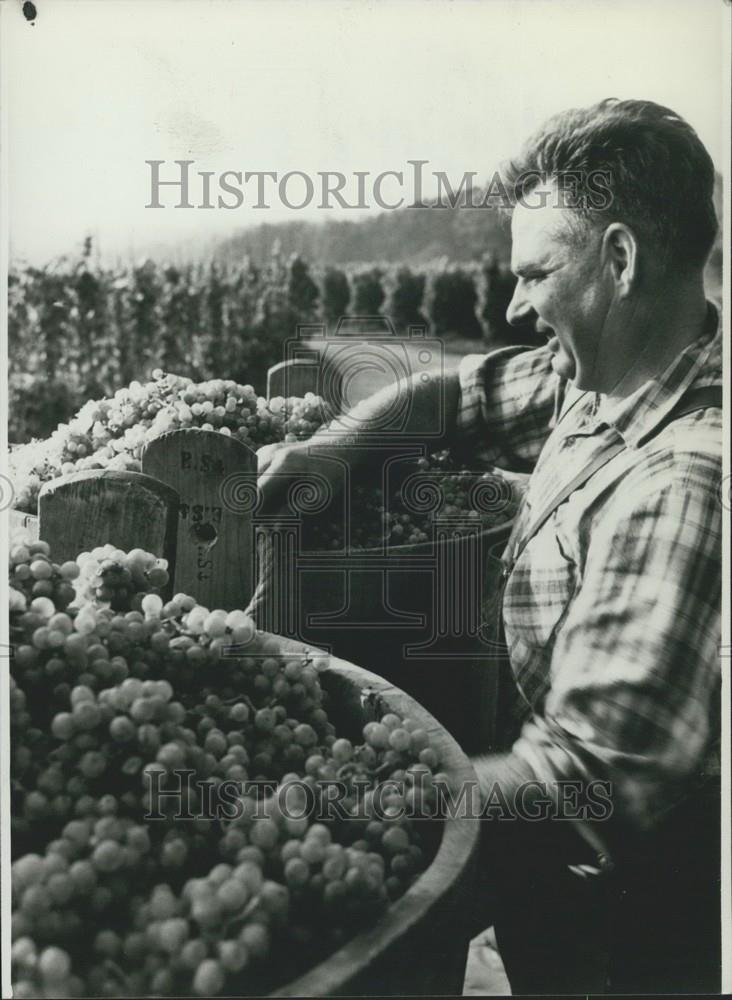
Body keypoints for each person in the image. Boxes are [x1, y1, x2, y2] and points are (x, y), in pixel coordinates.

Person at [256, 99, 722, 993]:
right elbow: (454, 396)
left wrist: (342, 798)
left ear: (620, 260)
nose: (512, 306)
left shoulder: (685, 483)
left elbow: (581, 788)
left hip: (622, 927)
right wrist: (334, 450)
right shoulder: (615, 374)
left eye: (536, 275)